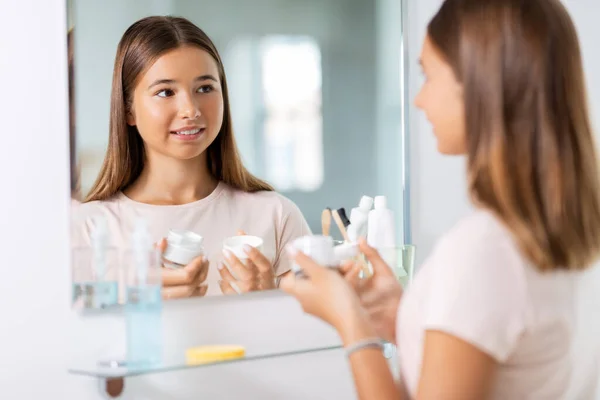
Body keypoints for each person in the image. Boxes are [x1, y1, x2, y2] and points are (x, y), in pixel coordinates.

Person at [281, 0, 600, 398]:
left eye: (428, 75)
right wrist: (406, 316)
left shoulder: (484, 251)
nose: (419, 99)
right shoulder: (567, 236)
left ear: (480, 83)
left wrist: (350, 321)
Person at [74, 16, 310, 299]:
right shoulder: (89, 228)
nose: (190, 109)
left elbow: (328, 334)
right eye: (165, 92)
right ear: (128, 110)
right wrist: (139, 305)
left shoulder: (276, 216)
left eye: (205, 88)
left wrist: (270, 300)